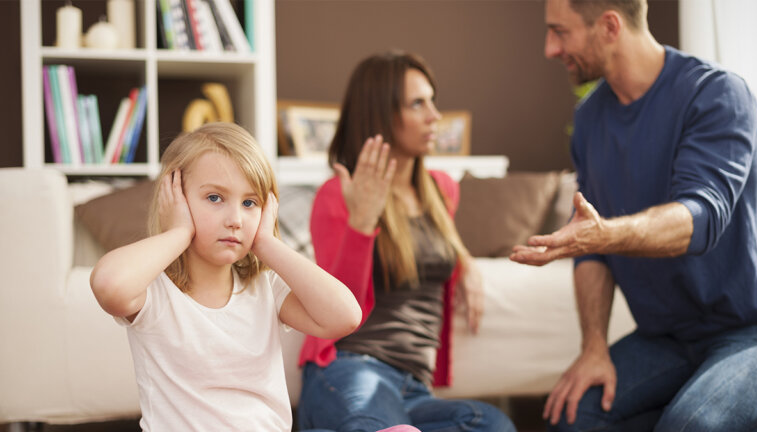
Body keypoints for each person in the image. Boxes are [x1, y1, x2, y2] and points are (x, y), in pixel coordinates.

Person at [510, 0, 757, 431]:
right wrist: (594, 346)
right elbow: (589, 247)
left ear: (609, 26)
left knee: (690, 424)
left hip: (751, 330)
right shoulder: (590, 119)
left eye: (561, 31)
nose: (550, 49)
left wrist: (603, 236)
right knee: (571, 415)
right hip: (665, 338)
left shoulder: (718, 94)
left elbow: (700, 218)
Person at [89, 122, 363, 431]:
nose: (235, 220)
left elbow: (346, 316)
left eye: (249, 203)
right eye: (215, 198)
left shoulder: (266, 288)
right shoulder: (154, 293)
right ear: (175, 199)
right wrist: (179, 231)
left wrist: (267, 243)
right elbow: (109, 285)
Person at [296, 51, 517, 432]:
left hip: (415, 387)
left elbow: (432, 247)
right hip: (350, 368)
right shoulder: (337, 195)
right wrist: (363, 221)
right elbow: (335, 309)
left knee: (493, 425)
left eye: (432, 100)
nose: (434, 115)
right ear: (381, 115)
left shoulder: (441, 190)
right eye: (418, 104)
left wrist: (464, 261)